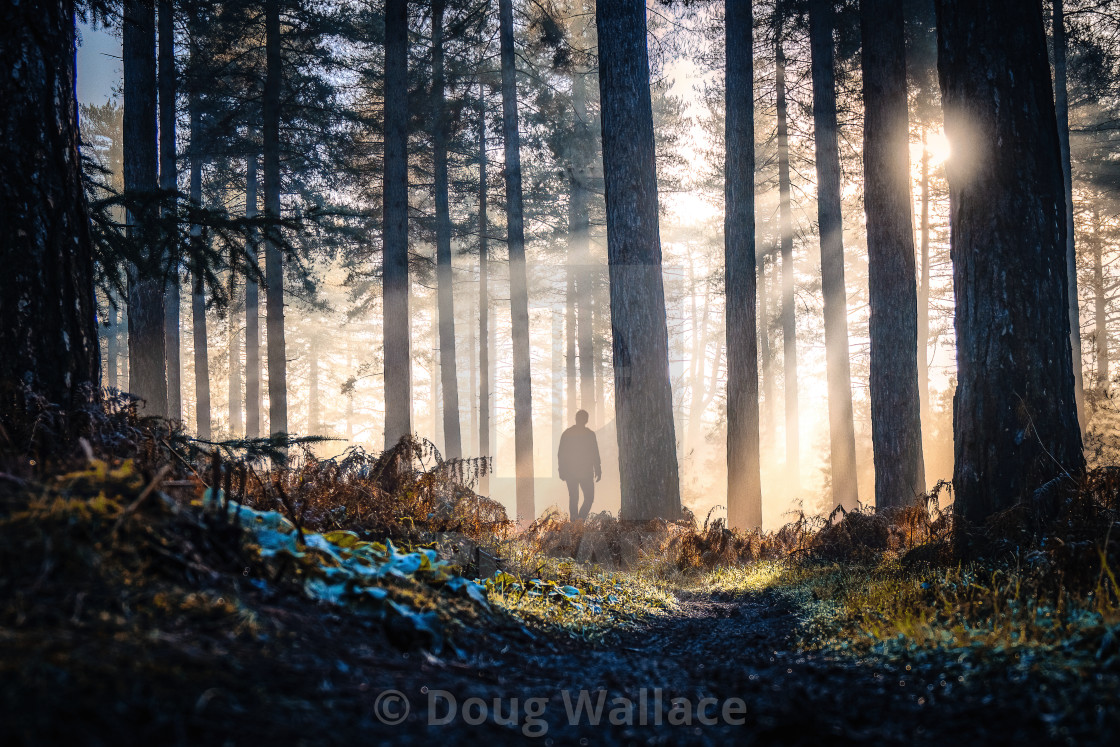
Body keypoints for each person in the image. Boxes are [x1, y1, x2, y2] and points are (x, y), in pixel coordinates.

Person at [558, 409, 601, 521]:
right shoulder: (590, 434)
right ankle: (579, 521)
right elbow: (595, 453)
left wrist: (561, 470)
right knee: (588, 498)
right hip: (585, 472)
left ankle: (576, 522)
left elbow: (561, 454)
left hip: (572, 473)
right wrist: (598, 469)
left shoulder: (567, 433)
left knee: (574, 497)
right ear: (586, 420)